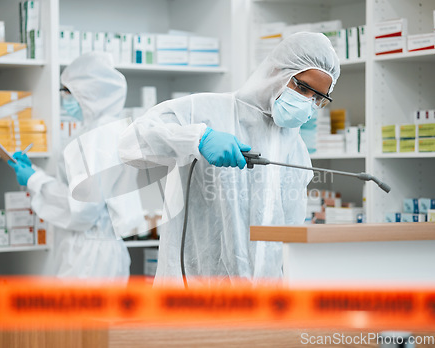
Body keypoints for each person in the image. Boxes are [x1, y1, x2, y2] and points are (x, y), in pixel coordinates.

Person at [118, 32, 340, 286]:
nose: (306, 102)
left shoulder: (295, 147)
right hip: (194, 290)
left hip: (263, 300)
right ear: (277, 71)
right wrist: (198, 138)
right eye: (301, 88)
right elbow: (130, 144)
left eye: (317, 98)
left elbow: (289, 230)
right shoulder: (204, 110)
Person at [8, 52, 143, 279]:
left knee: (88, 315)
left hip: (91, 257)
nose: (64, 99)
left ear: (90, 93)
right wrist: (36, 174)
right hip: (98, 250)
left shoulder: (96, 137)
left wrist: (34, 179)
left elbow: (83, 208)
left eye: (68, 92)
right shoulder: (104, 130)